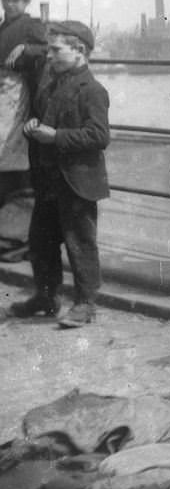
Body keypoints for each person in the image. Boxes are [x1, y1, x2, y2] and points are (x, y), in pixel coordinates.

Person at [8, 21, 109, 328]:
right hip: (49, 181)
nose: (49, 56)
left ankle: (86, 303)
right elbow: (44, 118)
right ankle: (47, 297)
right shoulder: (53, 84)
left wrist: (55, 136)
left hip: (77, 182)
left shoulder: (92, 90)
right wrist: (34, 127)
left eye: (55, 50)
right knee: (41, 242)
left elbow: (98, 135)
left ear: (79, 51)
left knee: (80, 243)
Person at [0, 0, 47, 261]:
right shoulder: (3, 27)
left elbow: (49, 47)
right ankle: (8, 231)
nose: (12, 3)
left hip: (18, 98)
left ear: (26, 2)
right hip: (2, 96)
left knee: (14, 156)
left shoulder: (31, 25)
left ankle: (18, 236)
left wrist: (28, 50)